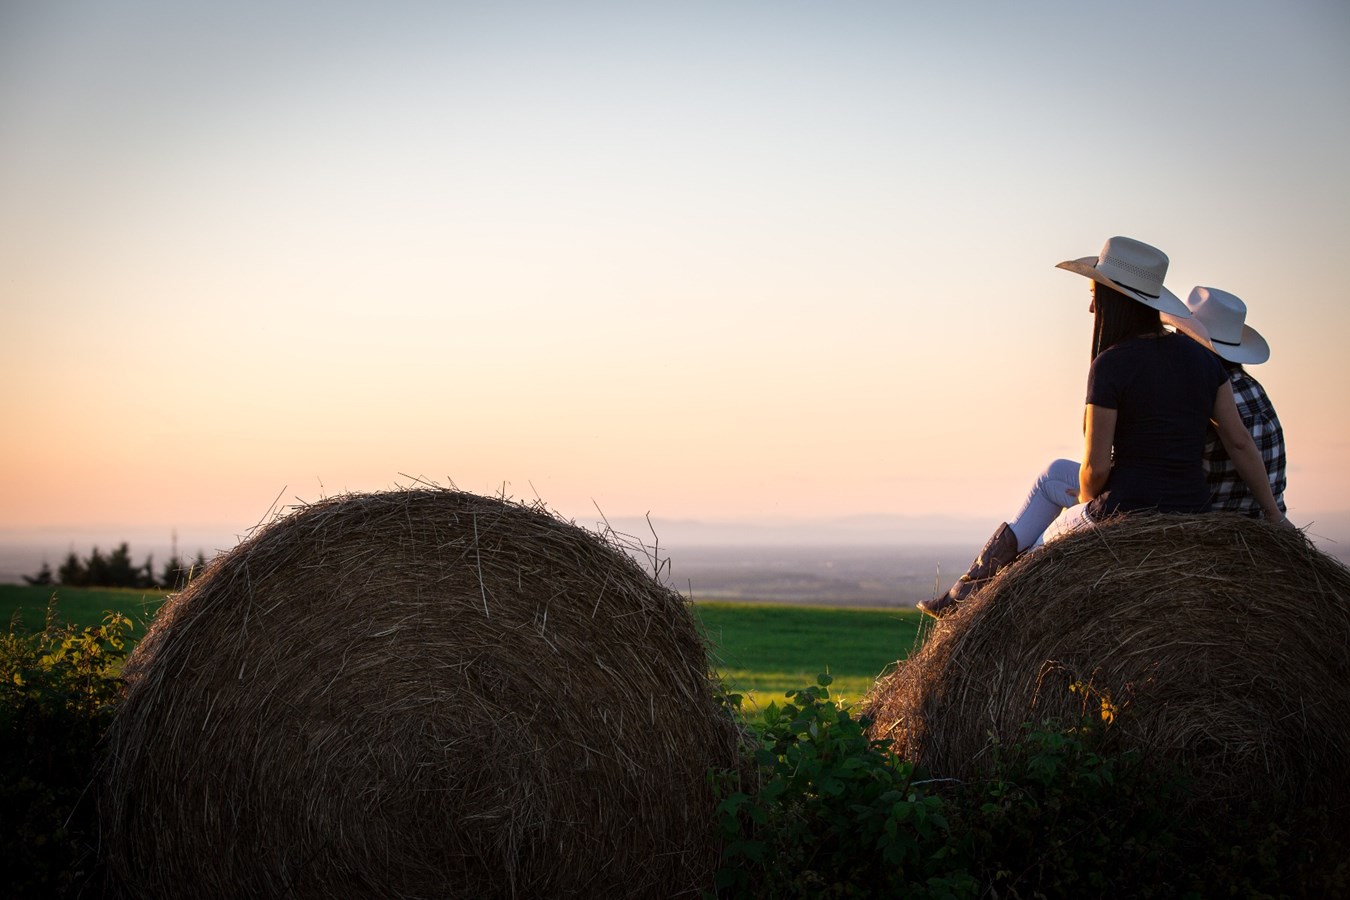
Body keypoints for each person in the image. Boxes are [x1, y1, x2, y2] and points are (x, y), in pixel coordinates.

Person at [918, 237, 1288, 618]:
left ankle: (974, 601)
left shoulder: (1111, 364)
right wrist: (1276, 518)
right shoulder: (1203, 359)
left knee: (1038, 557)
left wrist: (1087, 509)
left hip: (1126, 509)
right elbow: (1240, 443)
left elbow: (1095, 470)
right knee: (1052, 494)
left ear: (1116, 302)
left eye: (1096, 294)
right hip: (1191, 509)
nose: (1091, 305)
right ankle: (968, 591)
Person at [1161, 287, 1286, 517]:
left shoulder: (1205, 394)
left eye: (1180, 334)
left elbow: (1239, 444)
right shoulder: (1251, 387)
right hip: (1263, 518)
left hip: (1219, 518)